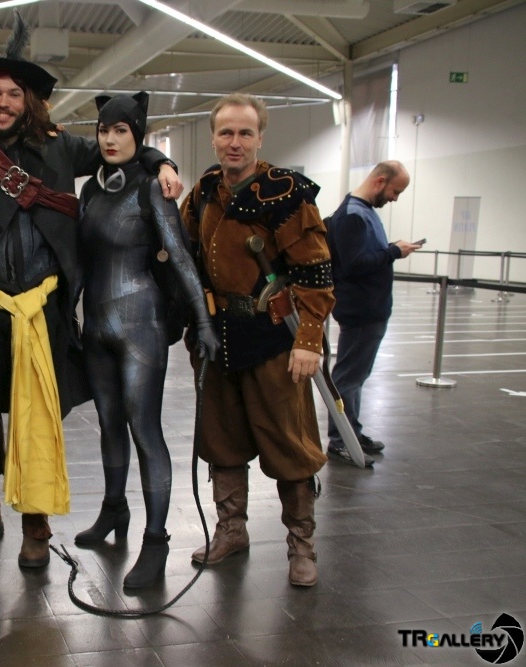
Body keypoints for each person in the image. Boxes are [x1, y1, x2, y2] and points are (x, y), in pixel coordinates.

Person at [0, 17, 184, 570]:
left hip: (44, 308)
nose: (4, 103)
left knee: (37, 413)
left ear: (29, 101)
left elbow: (120, 146)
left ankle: (36, 522)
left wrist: (163, 161)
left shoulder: (59, 150)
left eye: (13, 94)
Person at [179, 93, 335, 587]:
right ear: (213, 138)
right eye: (226, 132)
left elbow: (316, 271)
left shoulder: (286, 193)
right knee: (221, 440)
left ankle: (301, 546)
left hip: (273, 339)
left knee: (290, 444)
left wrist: (308, 340)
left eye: (245, 133)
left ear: (260, 138)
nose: (235, 142)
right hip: (217, 336)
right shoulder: (204, 191)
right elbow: (183, 254)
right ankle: (232, 531)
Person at [74, 93, 220, 589]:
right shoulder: (90, 192)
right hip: (96, 326)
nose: (110, 139)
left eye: (121, 130)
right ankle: (114, 508)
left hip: (142, 326)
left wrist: (203, 322)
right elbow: (82, 261)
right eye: (103, 130)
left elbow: (180, 257)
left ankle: (156, 541)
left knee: (144, 429)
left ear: (137, 135)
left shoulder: (152, 189)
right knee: (108, 424)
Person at [326, 161, 421, 464]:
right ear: (380, 181)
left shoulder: (362, 213)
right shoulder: (352, 216)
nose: (395, 198)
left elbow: (362, 255)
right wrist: (394, 252)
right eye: (395, 191)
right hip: (361, 310)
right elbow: (355, 265)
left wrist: (391, 248)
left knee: (355, 376)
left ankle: (351, 432)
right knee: (348, 377)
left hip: (369, 309)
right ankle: (341, 439)